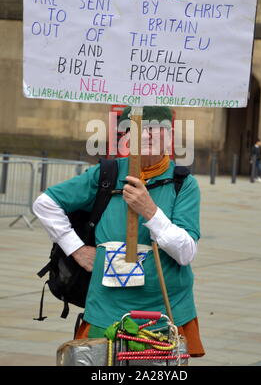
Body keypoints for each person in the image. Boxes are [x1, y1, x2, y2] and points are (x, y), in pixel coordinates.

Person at [33, 106, 205, 357]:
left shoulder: (183, 184)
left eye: (157, 129)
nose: (147, 136)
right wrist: (77, 250)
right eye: (138, 130)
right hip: (107, 306)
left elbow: (186, 253)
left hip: (167, 308)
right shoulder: (107, 174)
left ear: (169, 137)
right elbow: (45, 204)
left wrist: (150, 211)